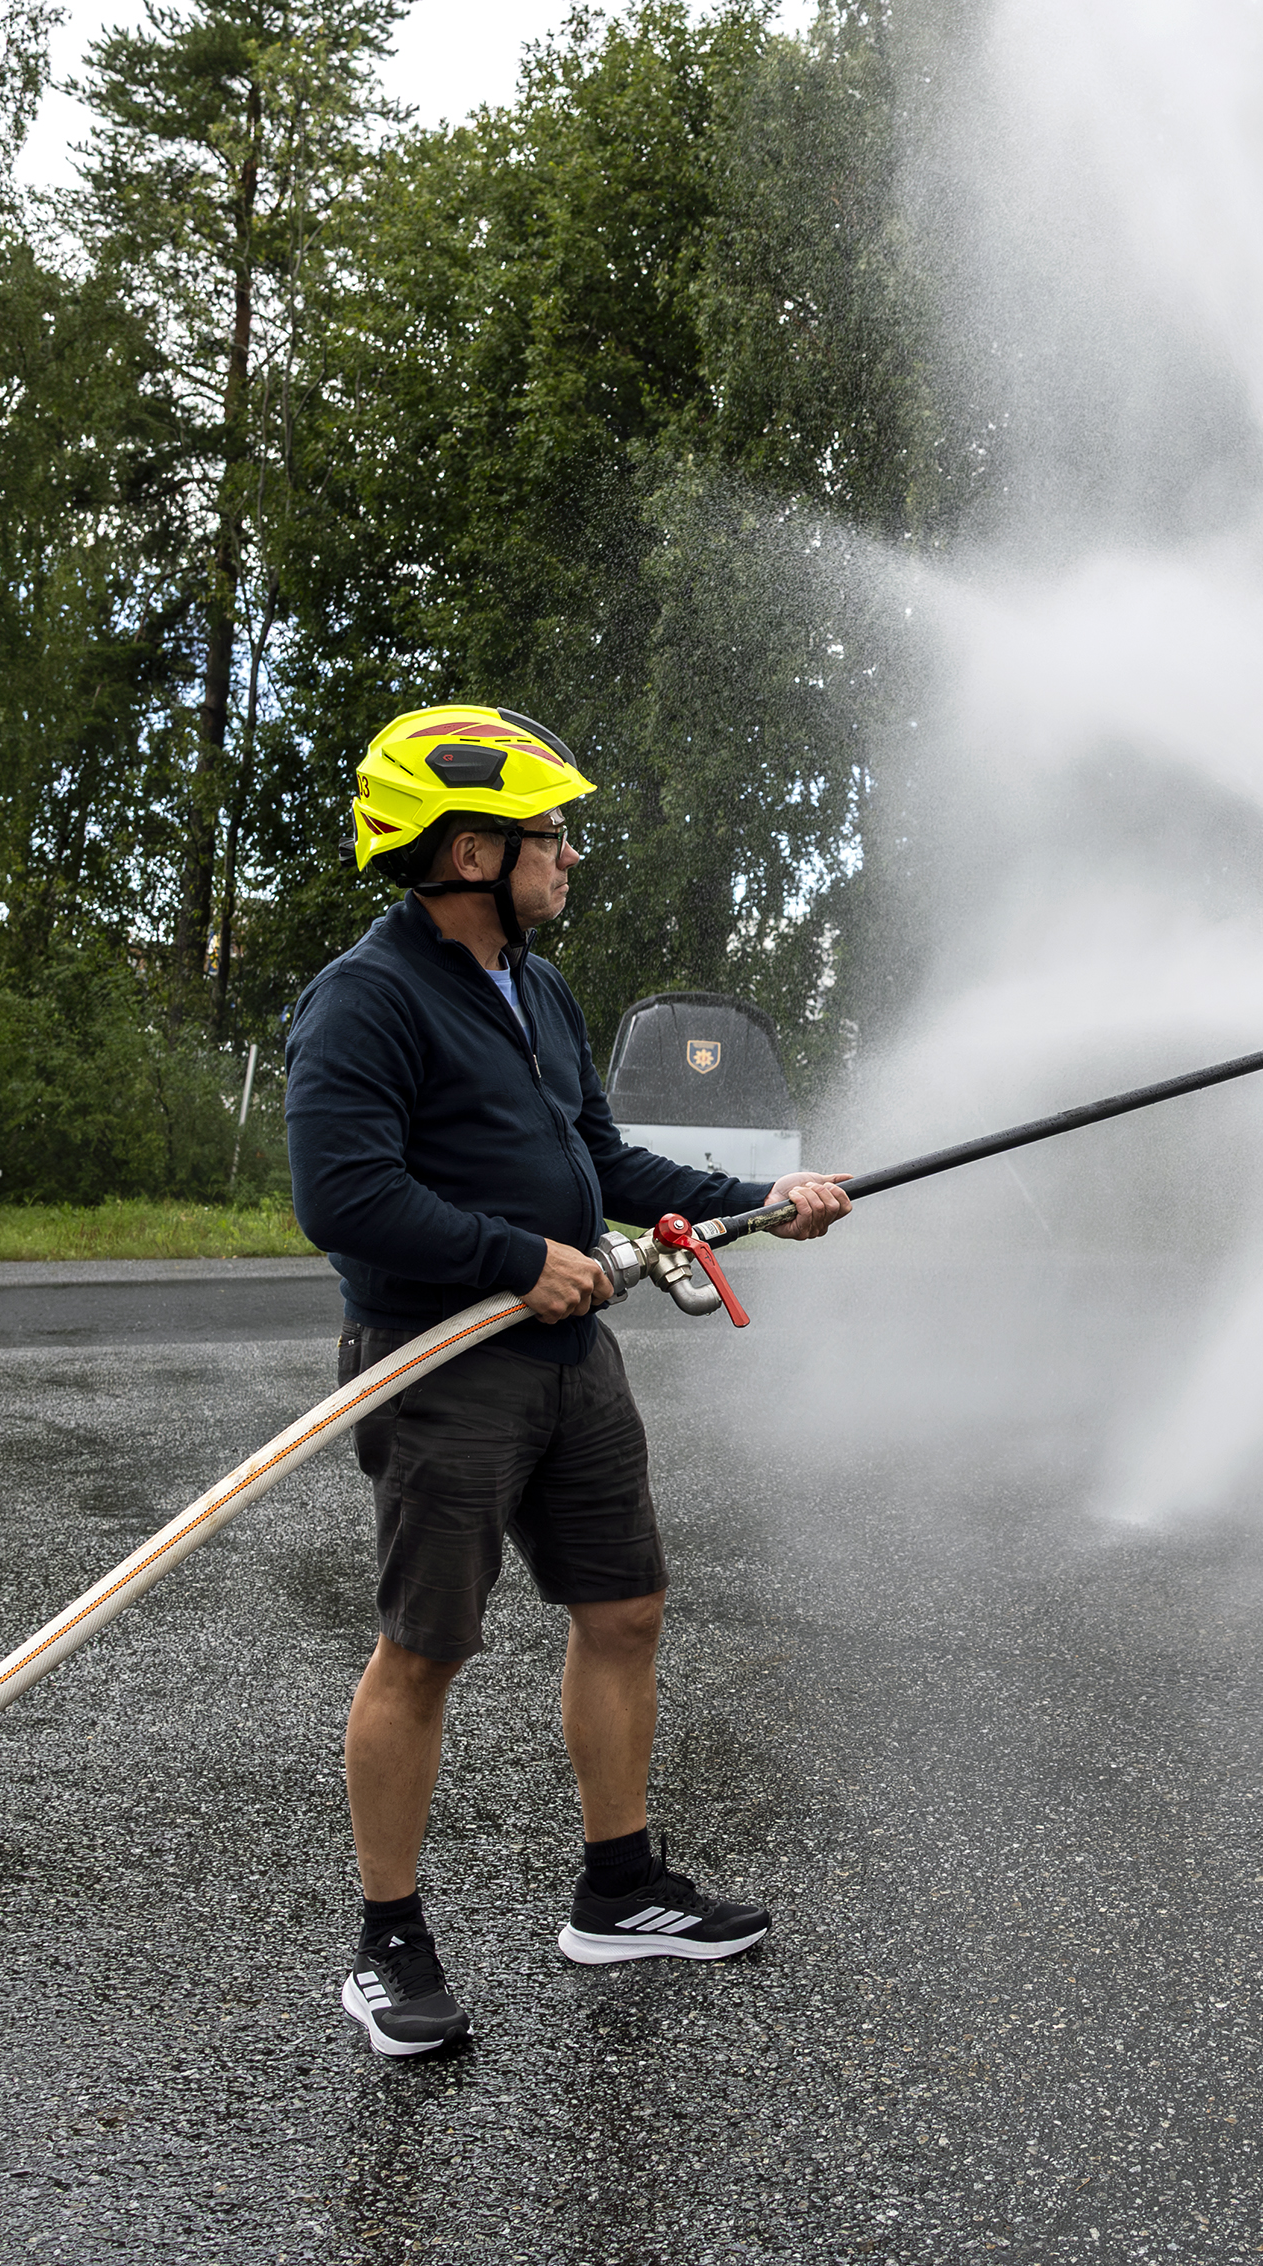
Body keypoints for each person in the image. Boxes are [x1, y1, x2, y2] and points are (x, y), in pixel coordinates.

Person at [284, 704, 850, 2057]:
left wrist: (761, 1200)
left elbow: (603, 1161)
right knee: (426, 1649)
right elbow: (341, 1196)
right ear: (469, 849)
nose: (572, 854)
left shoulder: (534, 987)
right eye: (550, 834)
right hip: (444, 1368)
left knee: (628, 1607)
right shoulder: (365, 998)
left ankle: (618, 1888)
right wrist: (513, 1259)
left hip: (565, 1359)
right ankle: (387, 1944)